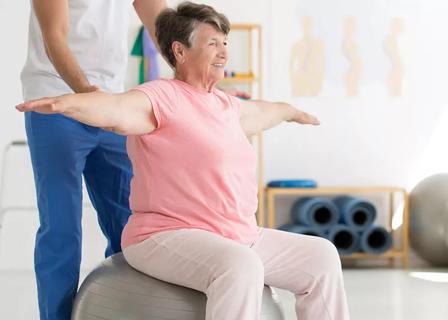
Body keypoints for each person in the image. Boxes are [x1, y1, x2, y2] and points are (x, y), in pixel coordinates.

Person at [17, 2, 350, 319]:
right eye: (212, 44)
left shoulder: (225, 105)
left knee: (321, 256)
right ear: (179, 50)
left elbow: (262, 111)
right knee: (240, 264)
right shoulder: (160, 98)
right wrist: (70, 103)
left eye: (225, 42)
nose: (224, 52)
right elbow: (116, 111)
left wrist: (290, 111)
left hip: (235, 233)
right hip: (168, 229)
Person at [20, 0, 166, 319]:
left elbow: (162, 24)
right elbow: (54, 37)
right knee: (61, 228)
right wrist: (86, 93)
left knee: (130, 226)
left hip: (110, 104)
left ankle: (125, 312)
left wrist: (191, 74)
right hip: (56, 103)